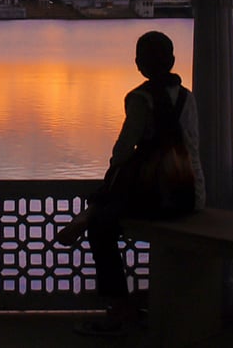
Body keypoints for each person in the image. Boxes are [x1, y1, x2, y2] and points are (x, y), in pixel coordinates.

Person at [65, 30, 206, 336]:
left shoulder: (140, 99)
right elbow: (192, 147)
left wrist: (111, 181)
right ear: (171, 61)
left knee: (101, 229)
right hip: (192, 195)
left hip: (161, 197)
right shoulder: (187, 97)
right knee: (107, 212)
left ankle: (120, 310)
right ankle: (145, 303)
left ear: (139, 64)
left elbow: (122, 152)